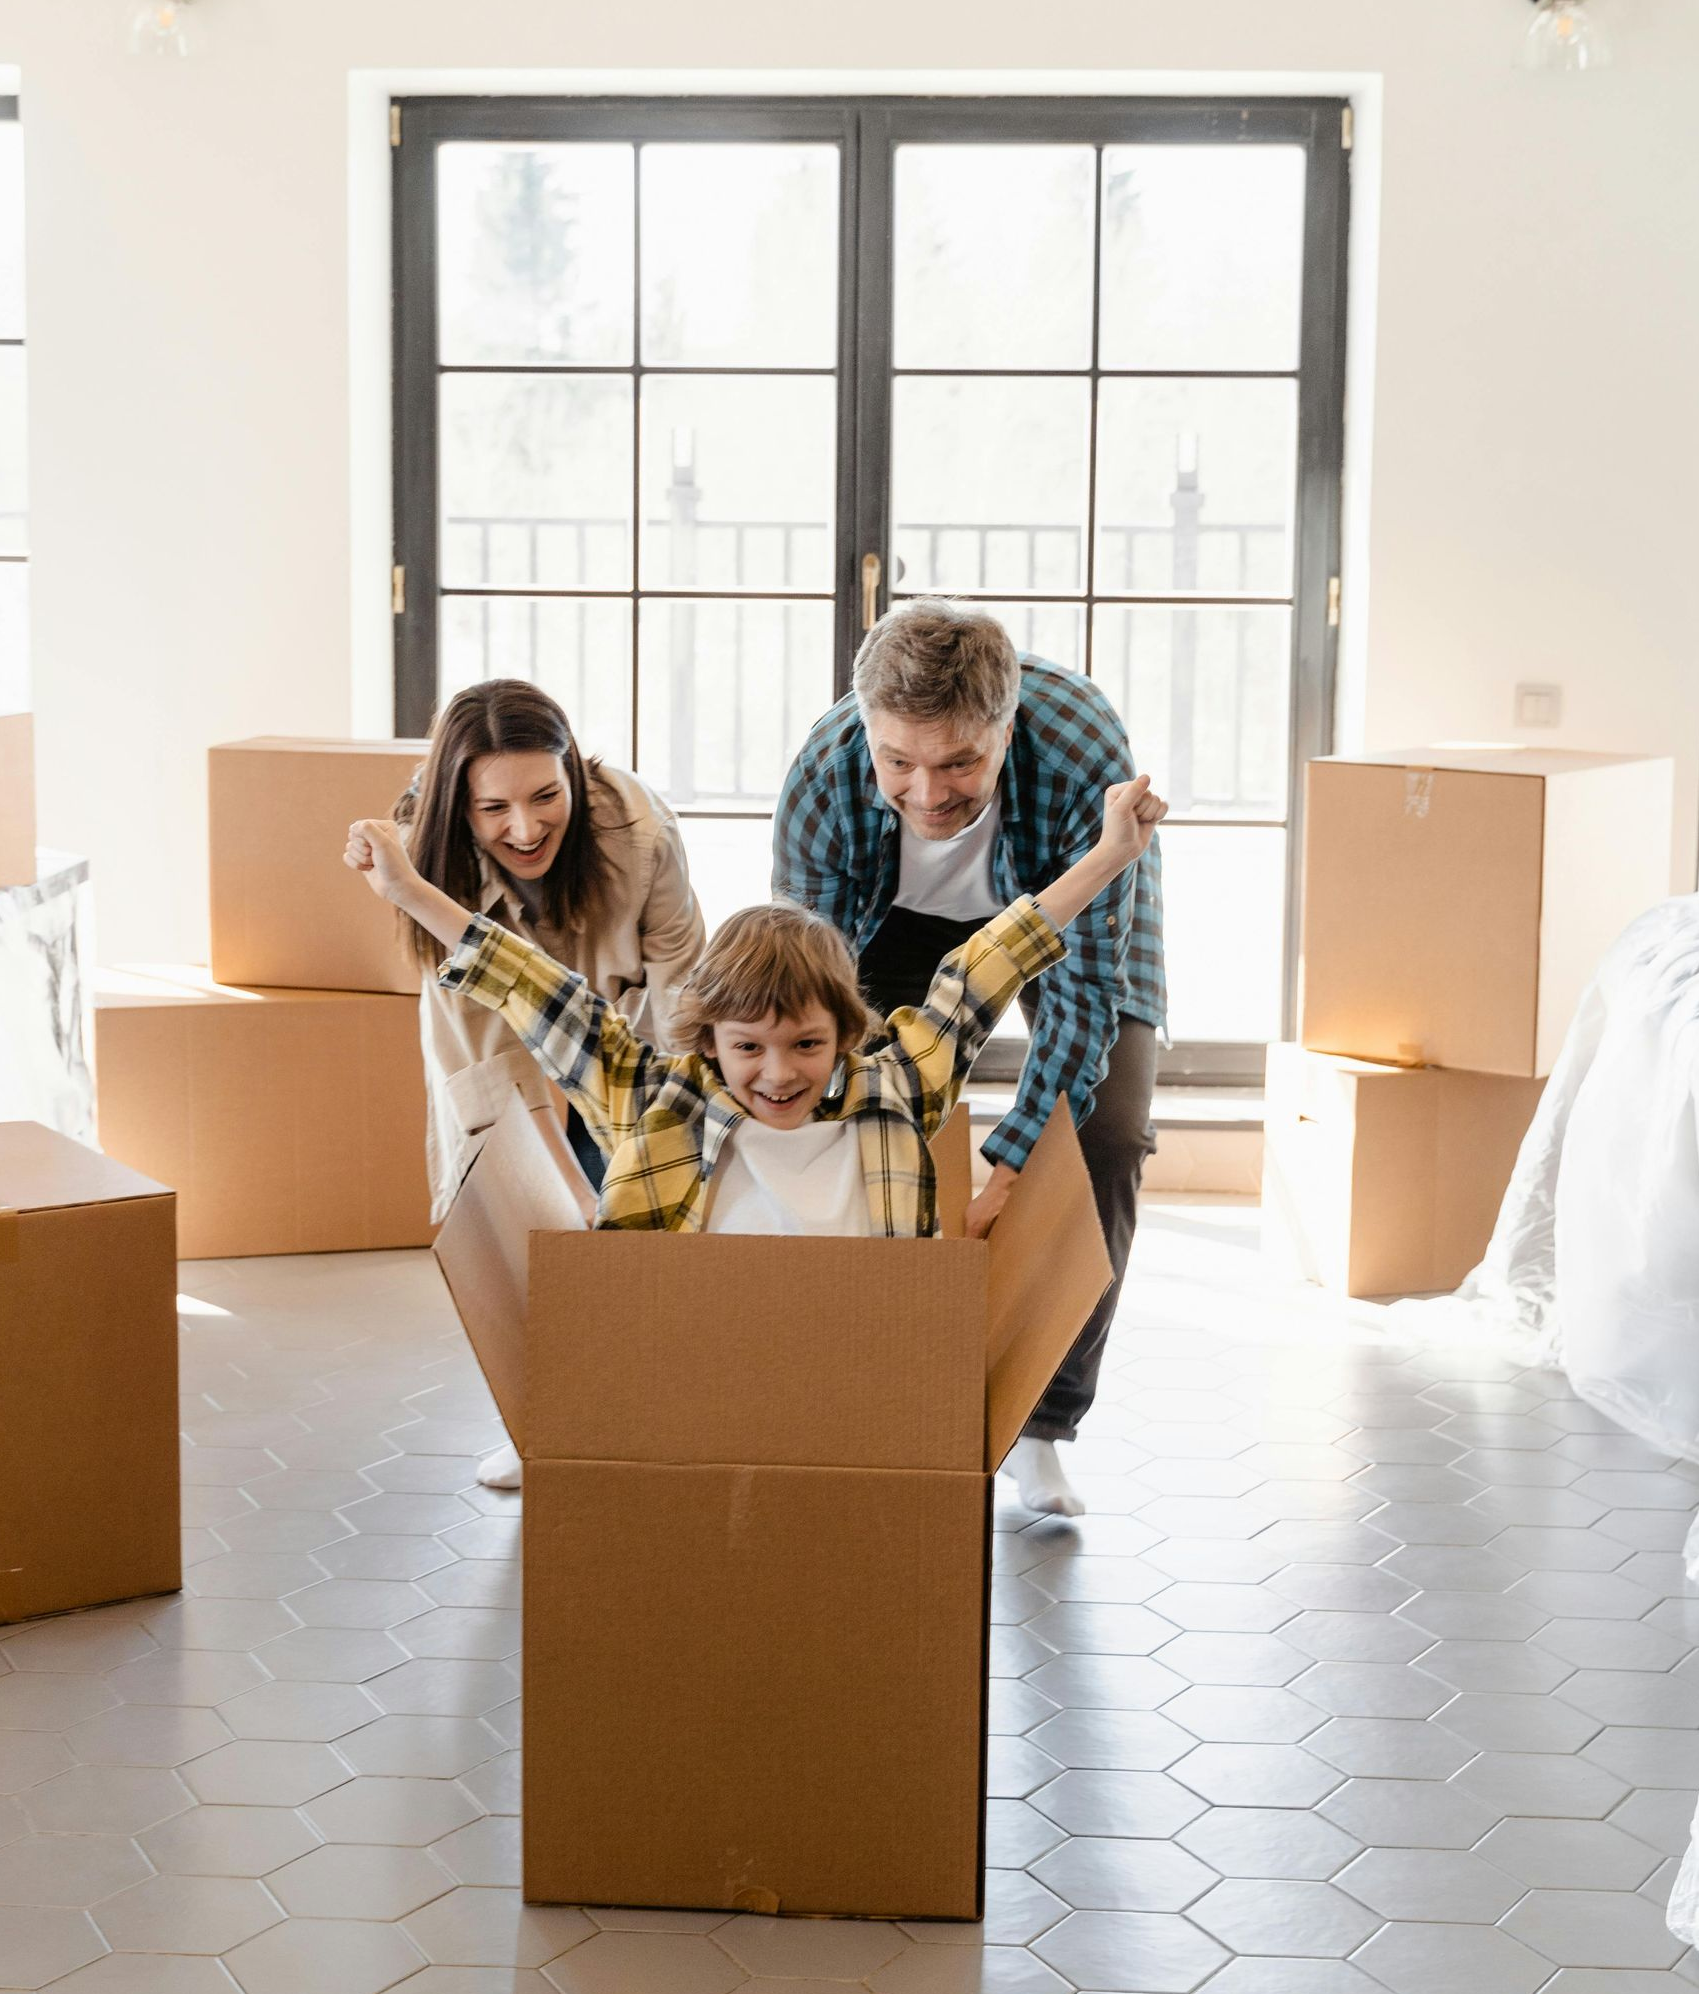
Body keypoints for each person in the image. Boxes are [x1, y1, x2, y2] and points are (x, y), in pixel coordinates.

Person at [345, 775, 1162, 1242]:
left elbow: (987, 967)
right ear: (707, 1043)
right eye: (749, 1048)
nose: (778, 1074)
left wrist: (1109, 855)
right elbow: (532, 984)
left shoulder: (896, 1089)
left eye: (807, 1045)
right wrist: (410, 891)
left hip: (858, 1368)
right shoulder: (657, 1102)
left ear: (848, 1035)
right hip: (697, 1367)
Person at [773, 601, 1167, 1519]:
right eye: (898, 761)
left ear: (1007, 723)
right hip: (888, 925)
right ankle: (867, 1389)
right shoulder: (823, 781)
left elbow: (1084, 995)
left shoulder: (1081, 753)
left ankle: (1041, 1422)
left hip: (1062, 914)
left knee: (1102, 1139)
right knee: (850, 1121)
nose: (925, 792)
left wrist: (1016, 1156)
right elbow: (813, 1001)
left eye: (959, 763)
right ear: (866, 729)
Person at [392, 678, 706, 1483]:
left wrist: (663, 1128)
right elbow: (483, 1045)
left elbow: (682, 989)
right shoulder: (422, 859)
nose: (525, 828)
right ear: (458, 806)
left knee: (641, 1228)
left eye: (545, 795)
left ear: (574, 770)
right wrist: (551, 1170)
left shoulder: (639, 835)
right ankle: (542, 1422)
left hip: (622, 1040)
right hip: (498, 1046)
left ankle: (649, 1417)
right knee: (526, 1229)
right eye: (494, 809)